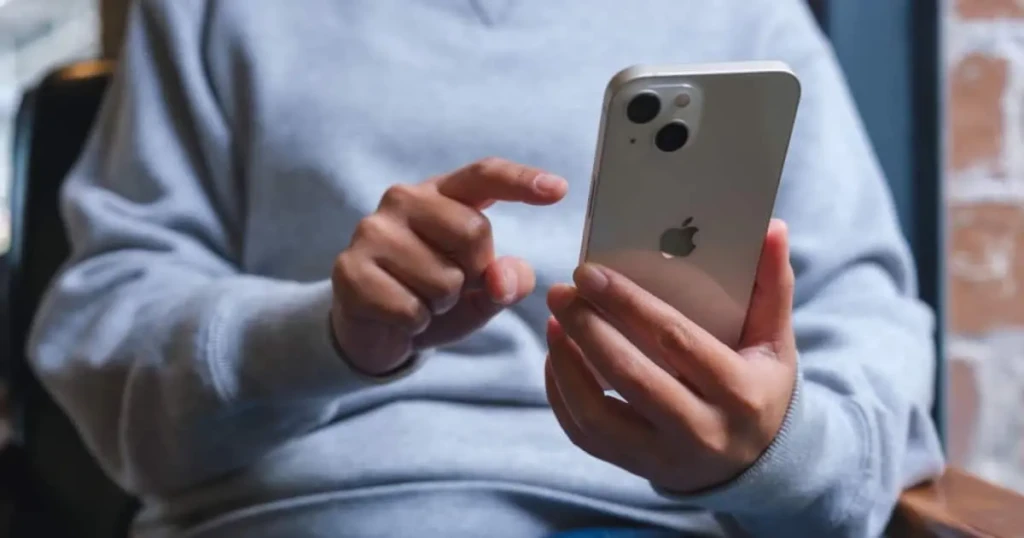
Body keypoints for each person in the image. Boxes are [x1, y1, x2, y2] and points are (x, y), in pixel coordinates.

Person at [28, 0, 944, 536]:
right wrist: (325, 335)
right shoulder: (212, 13)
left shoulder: (748, 17)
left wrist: (775, 446)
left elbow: (869, 333)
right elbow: (103, 327)